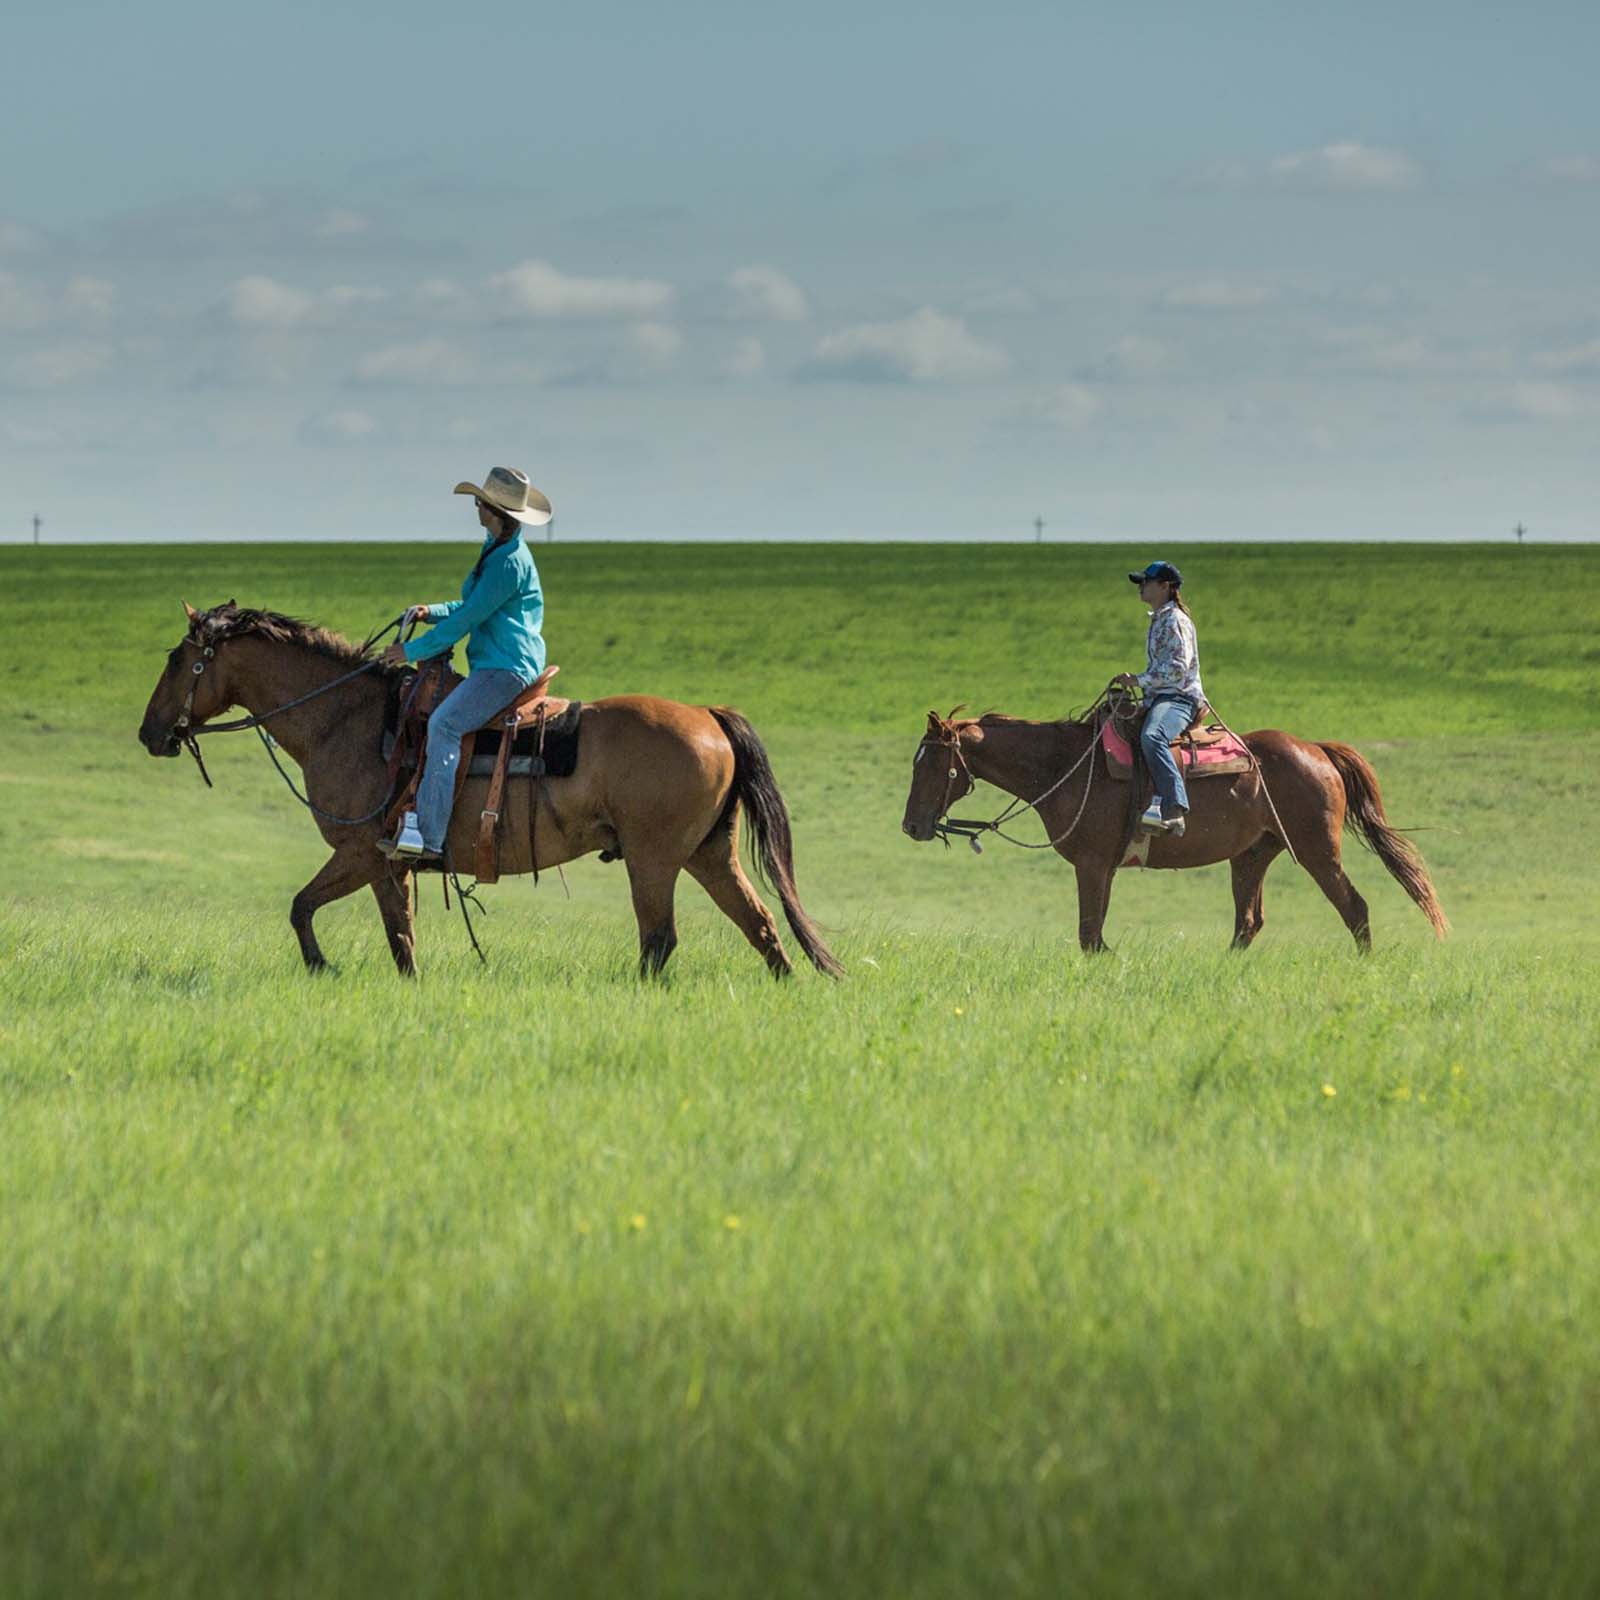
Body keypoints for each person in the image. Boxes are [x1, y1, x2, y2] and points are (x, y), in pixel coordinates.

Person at [378, 466, 552, 862]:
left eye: (479, 502)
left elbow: (469, 619)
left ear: (492, 509)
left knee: (445, 724)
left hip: (506, 667)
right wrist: (431, 610)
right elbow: (468, 607)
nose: (475, 507)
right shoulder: (495, 546)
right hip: (495, 662)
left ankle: (428, 836)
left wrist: (412, 652)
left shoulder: (508, 561)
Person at [1113, 560, 1204, 838]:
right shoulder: (1159, 619)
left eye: (1146, 582)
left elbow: (1179, 668)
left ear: (1165, 586)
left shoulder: (1175, 620)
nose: (1141, 587)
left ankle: (1173, 807)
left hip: (1179, 699)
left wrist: (1139, 681)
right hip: (1159, 697)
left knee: (1152, 736)